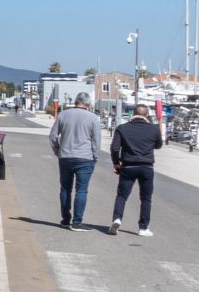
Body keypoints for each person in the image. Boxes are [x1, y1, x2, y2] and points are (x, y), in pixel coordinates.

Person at [49, 92, 103, 229]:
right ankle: (77, 222)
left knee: (65, 188)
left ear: (75, 101)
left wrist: (58, 151)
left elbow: (53, 136)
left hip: (65, 156)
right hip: (85, 158)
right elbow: (96, 140)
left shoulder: (63, 115)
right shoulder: (93, 118)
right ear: (88, 103)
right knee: (82, 190)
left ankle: (65, 219)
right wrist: (95, 156)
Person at [110, 102, 161, 236]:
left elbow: (115, 148)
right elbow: (158, 145)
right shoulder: (154, 129)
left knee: (122, 195)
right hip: (146, 166)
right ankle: (143, 228)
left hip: (128, 166)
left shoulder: (122, 128)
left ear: (133, 114)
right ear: (147, 115)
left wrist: (116, 163)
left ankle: (117, 219)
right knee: (146, 198)